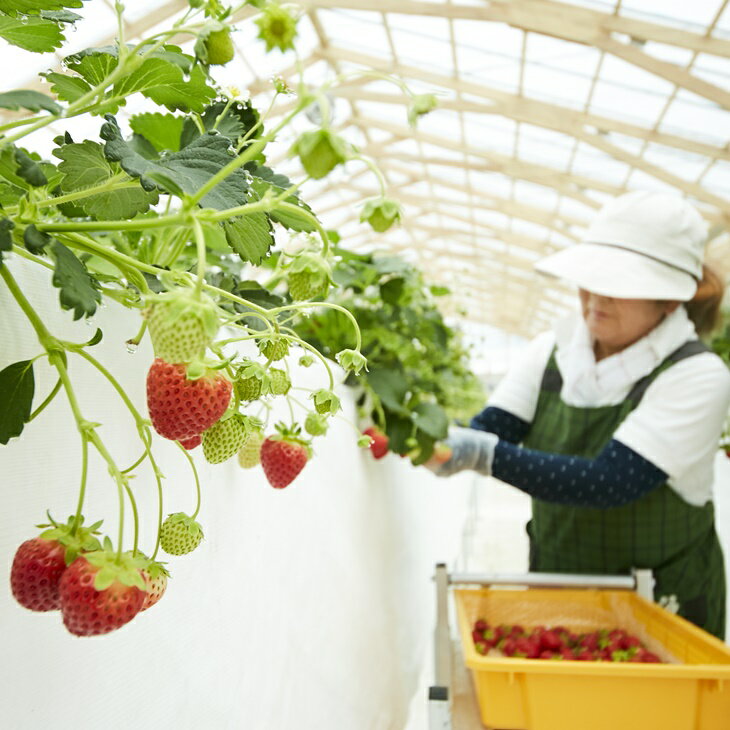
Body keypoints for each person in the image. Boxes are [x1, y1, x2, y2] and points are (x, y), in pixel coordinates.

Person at [429, 190, 730, 640]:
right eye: (591, 279)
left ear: (669, 301)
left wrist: (479, 454)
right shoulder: (553, 351)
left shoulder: (698, 375)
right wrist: (426, 435)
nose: (596, 297)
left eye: (621, 286)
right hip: (559, 590)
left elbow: (611, 480)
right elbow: (492, 429)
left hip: (663, 607)